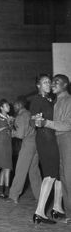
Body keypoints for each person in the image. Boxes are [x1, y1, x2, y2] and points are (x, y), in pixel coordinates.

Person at [34, 74, 71, 223]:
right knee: (62, 177)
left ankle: (64, 210)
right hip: (55, 141)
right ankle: (65, 211)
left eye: (56, 82)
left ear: (65, 85)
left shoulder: (68, 100)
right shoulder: (55, 101)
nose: (53, 84)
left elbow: (68, 124)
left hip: (66, 140)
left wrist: (46, 123)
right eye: (50, 81)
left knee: (66, 177)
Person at [6, 98, 42, 204]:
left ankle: (13, 196)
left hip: (28, 144)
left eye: (14, 106)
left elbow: (20, 134)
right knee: (34, 172)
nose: (13, 108)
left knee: (20, 169)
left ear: (18, 105)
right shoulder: (30, 113)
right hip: (36, 144)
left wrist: (11, 131)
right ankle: (40, 197)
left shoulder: (21, 116)